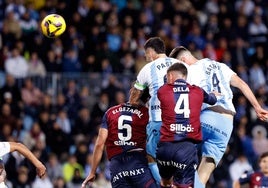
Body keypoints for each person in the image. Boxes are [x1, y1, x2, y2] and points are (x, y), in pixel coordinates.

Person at [169, 46, 268, 187]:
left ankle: (175, 181)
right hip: (227, 125)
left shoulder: (189, 71)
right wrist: (257, 107)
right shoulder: (220, 66)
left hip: (207, 117)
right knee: (203, 174)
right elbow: (241, 84)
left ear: (183, 60)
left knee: (173, 146)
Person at [156, 63, 217, 187]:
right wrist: (214, 95)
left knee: (165, 182)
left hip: (165, 148)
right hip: (186, 149)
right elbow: (212, 100)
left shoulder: (162, 90)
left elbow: (166, 84)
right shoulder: (198, 91)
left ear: (170, 76)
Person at [129, 37, 179, 183]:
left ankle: (165, 185)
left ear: (151, 52)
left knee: (151, 156)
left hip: (158, 119)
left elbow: (133, 100)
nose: (146, 58)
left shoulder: (147, 69)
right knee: (179, 159)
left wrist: (144, 102)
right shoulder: (180, 65)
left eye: (145, 55)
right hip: (181, 120)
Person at [81, 93, 158, 188]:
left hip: (116, 166)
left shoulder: (110, 112)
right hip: (137, 161)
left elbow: (100, 144)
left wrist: (92, 172)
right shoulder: (146, 113)